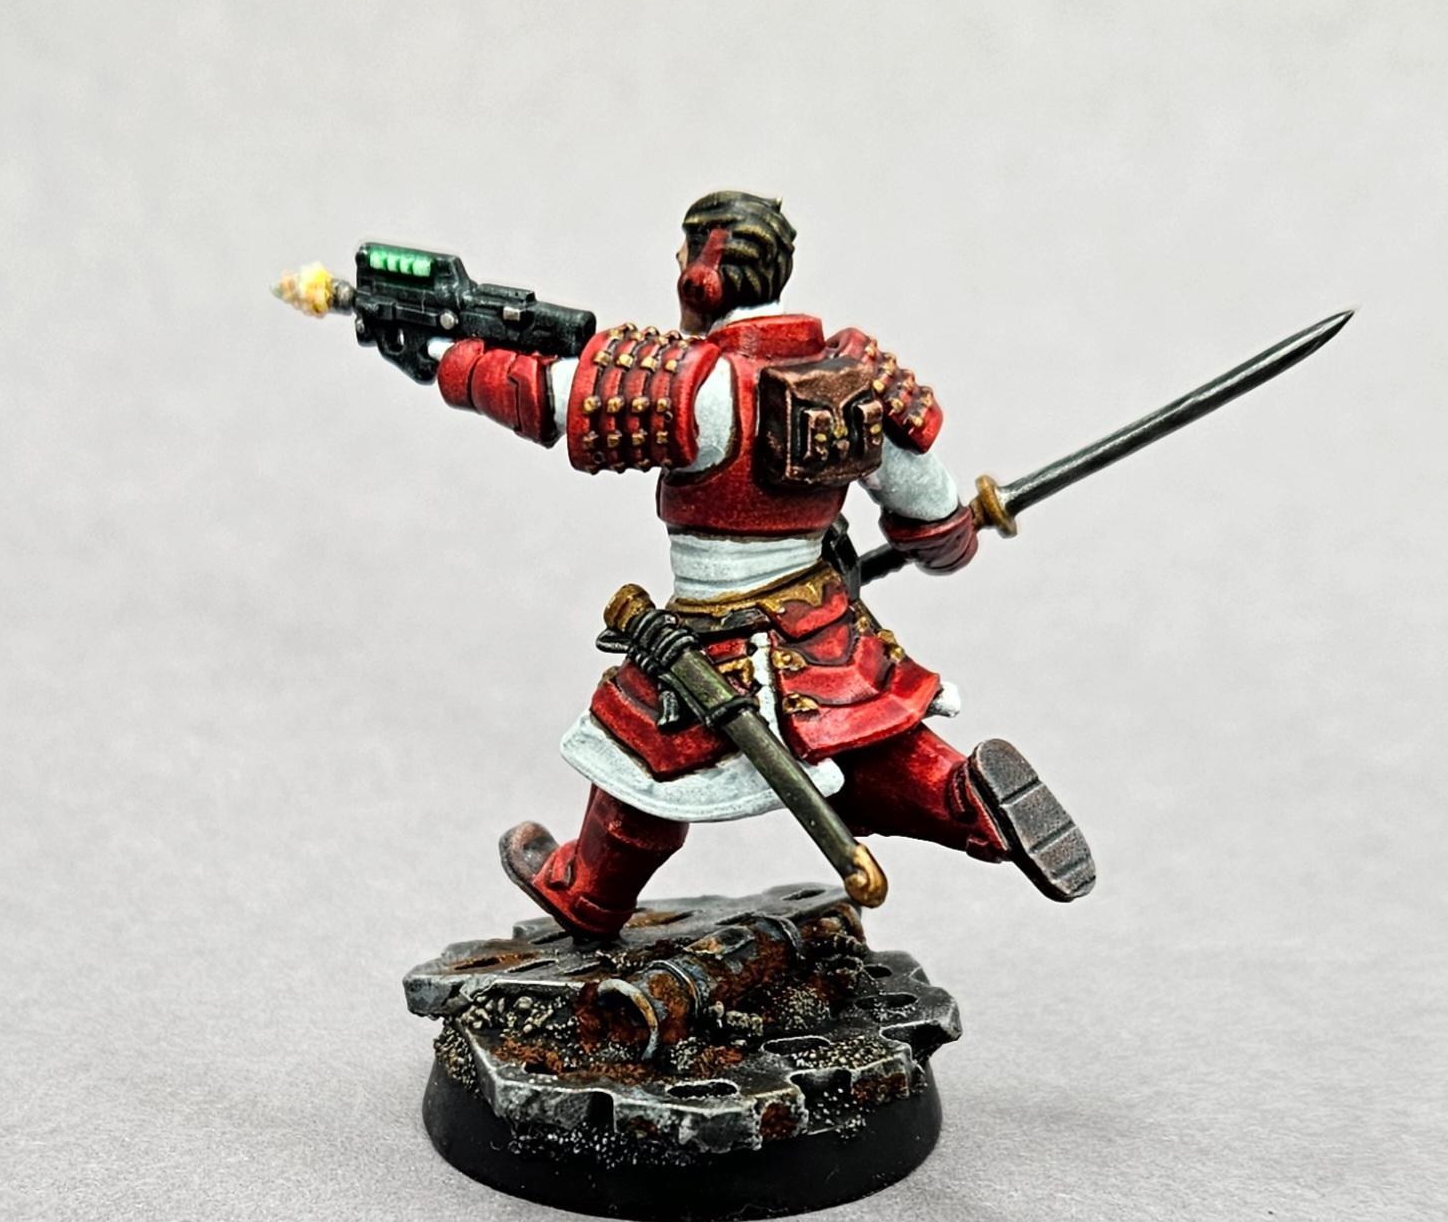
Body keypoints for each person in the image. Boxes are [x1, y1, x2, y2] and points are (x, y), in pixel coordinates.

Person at [432, 190, 1094, 938]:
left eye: (683, 257)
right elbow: (933, 519)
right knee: (866, 737)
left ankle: (591, 893)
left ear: (704, 274)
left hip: (707, 637)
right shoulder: (854, 373)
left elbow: (542, 398)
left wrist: (455, 363)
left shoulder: (694, 383)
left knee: (640, 751)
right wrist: (959, 533)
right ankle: (968, 801)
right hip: (824, 629)